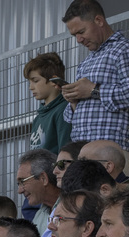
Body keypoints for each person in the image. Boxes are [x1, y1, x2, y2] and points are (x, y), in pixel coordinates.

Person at [62, 0, 129, 149]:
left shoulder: (123, 50)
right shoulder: (85, 62)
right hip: (83, 153)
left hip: (111, 153)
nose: (79, 40)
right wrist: (73, 101)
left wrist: (93, 90)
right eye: (75, 35)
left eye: (81, 32)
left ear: (99, 20)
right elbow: (70, 117)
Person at [25, 51, 72, 152]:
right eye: (29, 82)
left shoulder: (64, 109)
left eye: (35, 81)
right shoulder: (38, 118)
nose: (30, 87)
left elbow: (66, 150)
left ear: (53, 81)